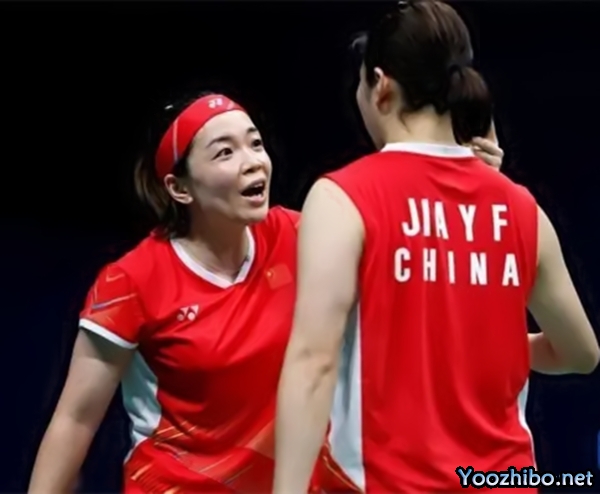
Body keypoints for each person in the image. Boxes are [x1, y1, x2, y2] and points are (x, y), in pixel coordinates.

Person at [28, 88, 504, 492]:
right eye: (225, 152)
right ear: (179, 188)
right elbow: (75, 421)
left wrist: (475, 187)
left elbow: (422, 264)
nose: (253, 162)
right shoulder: (132, 281)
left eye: (255, 144)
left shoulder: (305, 235)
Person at [273, 2, 600, 493]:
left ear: (380, 85)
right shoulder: (520, 207)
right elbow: (580, 353)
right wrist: (486, 345)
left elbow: (312, 363)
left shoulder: (342, 197)